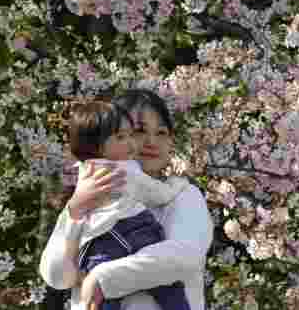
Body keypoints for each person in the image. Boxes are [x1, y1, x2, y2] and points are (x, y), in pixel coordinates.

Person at [40, 89, 213, 310]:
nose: (151, 141)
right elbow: (57, 276)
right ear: (102, 139)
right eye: (137, 131)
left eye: (162, 132)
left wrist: (102, 278)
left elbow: (182, 256)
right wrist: (74, 212)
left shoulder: (182, 195)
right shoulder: (86, 201)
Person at [66, 100, 190, 310]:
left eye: (131, 135)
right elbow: (158, 194)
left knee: (104, 301)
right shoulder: (125, 170)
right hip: (132, 233)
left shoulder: (83, 172)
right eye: (121, 137)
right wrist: (177, 183)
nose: (132, 143)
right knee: (169, 289)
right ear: (97, 145)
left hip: (96, 247)